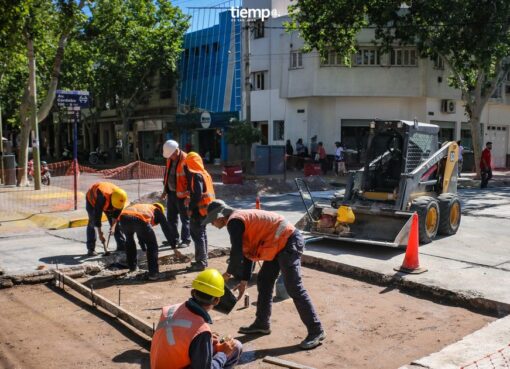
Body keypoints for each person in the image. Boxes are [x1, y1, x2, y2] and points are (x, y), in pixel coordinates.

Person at [203, 200, 326, 350]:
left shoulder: (235, 222)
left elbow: (236, 252)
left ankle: (316, 330)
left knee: (294, 287)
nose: (212, 224)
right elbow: (247, 253)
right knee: (264, 281)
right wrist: (244, 281)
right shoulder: (238, 221)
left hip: (288, 241)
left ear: (220, 216)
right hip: (277, 244)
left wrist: (228, 273)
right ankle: (262, 323)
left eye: (212, 221)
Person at [150, 268, 243, 369]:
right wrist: (223, 354)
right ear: (216, 301)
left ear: (193, 292)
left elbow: (176, 337)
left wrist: (202, 341)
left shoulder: (170, 310)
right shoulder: (201, 331)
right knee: (236, 347)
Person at [119, 202, 173, 280]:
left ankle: (132, 268)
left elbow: (140, 233)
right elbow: (166, 228)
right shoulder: (157, 210)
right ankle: (153, 274)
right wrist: (173, 245)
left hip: (123, 218)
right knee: (152, 245)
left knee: (129, 241)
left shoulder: (142, 207)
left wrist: (143, 247)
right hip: (139, 219)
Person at [185, 152, 216, 272]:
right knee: (202, 234)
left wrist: (190, 209)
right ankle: (203, 259)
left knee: (198, 235)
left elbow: (197, 195)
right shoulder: (205, 174)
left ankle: (201, 262)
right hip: (207, 209)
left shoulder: (196, 175)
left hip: (199, 210)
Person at [161, 140, 191, 249]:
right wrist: (165, 190)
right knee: (171, 218)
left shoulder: (186, 160)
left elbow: (191, 180)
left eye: (171, 155)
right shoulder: (169, 159)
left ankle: (186, 240)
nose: (170, 157)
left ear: (177, 151)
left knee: (185, 219)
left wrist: (188, 196)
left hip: (183, 196)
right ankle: (173, 239)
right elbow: (167, 175)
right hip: (172, 193)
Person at [85, 182, 127, 257]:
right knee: (92, 223)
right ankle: (91, 249)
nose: (116, 208)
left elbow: (116, 215)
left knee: (116, 224)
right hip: (92, 200)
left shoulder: (121, 198)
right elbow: (97, 216)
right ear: (111, 200)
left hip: (107, 202)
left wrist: (113, 227)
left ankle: (122, 246)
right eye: (115, 207)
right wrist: (100, 233)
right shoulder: (102, 197)